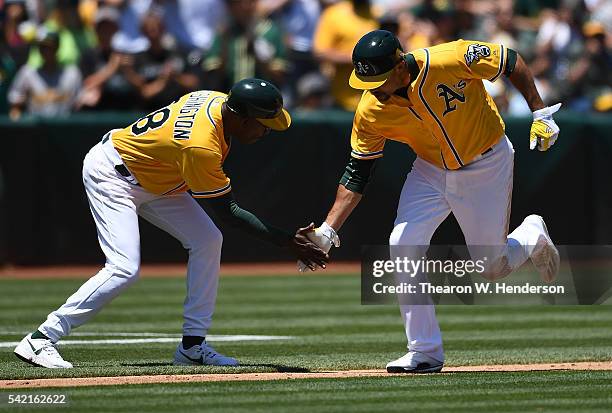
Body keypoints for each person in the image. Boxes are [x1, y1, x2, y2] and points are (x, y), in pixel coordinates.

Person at [14, 78, 328, 368]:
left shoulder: (216, 100)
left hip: (154, 176)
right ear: (242, 117)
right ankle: (41, 338)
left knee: (207, 239)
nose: (267, 131)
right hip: (113, 175)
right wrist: (287, 241)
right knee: (124, 267)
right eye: (264, 124)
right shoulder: (201, 144)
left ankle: (192, 346)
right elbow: (229, 212)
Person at [301, 30, 562, 373]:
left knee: (492, 268)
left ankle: (529, 235)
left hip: (486, 161)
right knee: (402, 243)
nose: (373, 88)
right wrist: (327, 230)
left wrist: (539, 112)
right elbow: (358, 172)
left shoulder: (447, 59)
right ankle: (424, 350)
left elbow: (509, 60)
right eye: (366, 80)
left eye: (378, 78)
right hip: (430, 170)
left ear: (399, 66)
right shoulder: (370, 110)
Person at [8, 29, 82, 119]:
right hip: (36, 129)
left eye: (49, 47)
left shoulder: (72, 74)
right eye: (42, 47)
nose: (46, 51)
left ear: (57, 47)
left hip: (65, 128)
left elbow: (79, 105)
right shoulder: (28, 74)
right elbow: (15, 103)